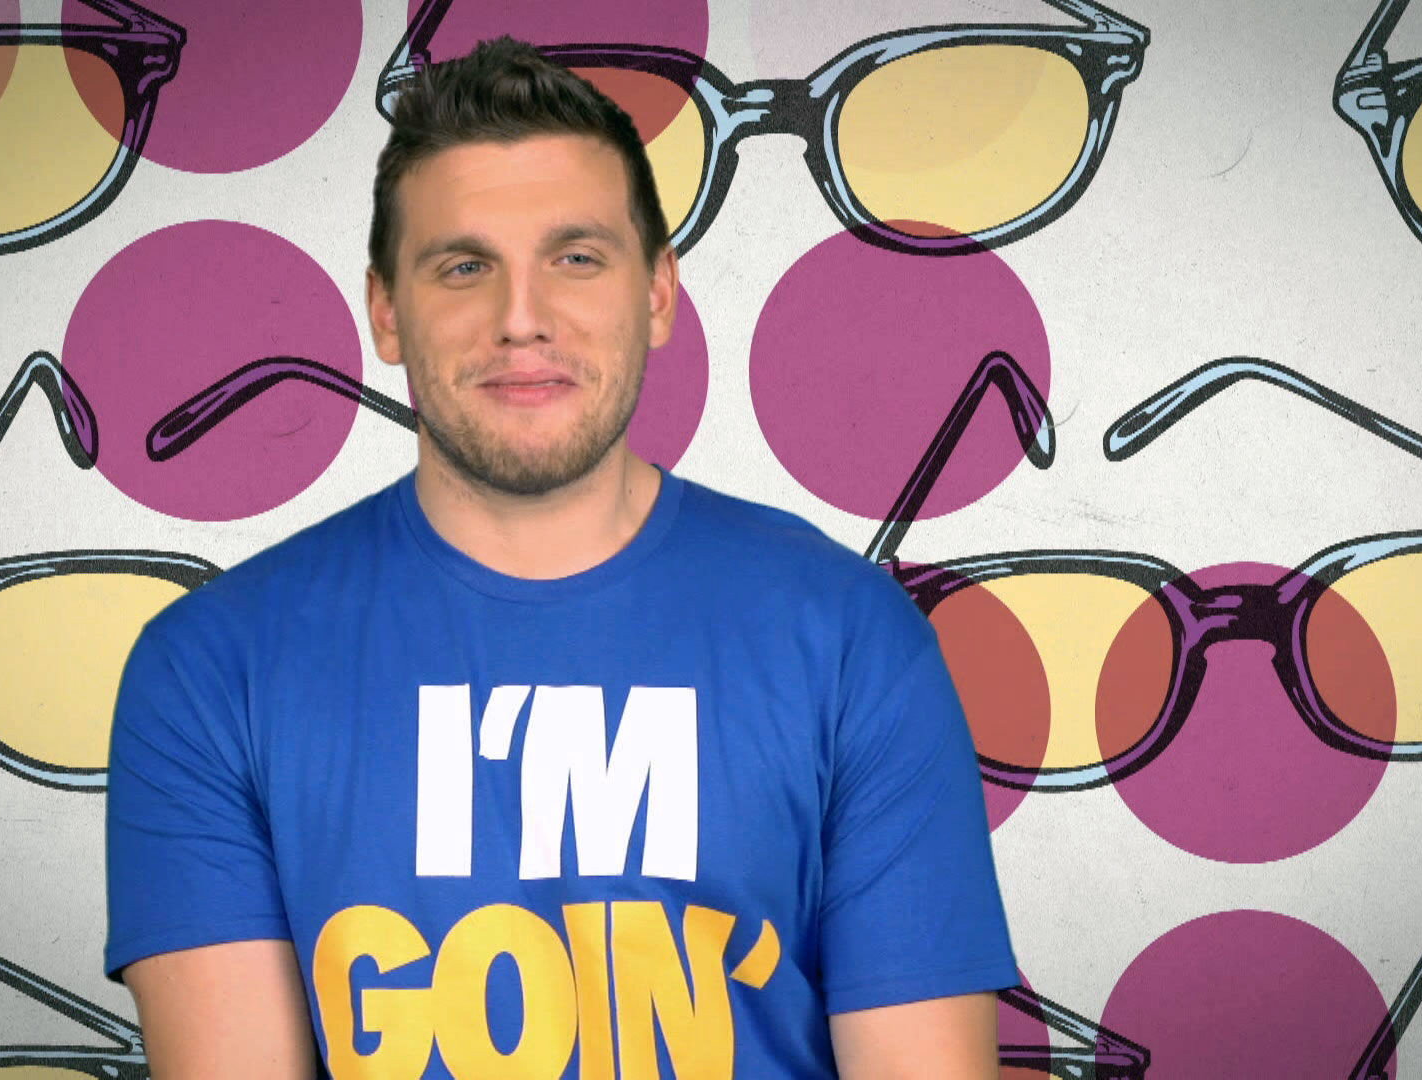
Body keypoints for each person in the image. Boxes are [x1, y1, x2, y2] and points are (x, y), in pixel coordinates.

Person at [104, 35, 1017, 1079]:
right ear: (386, 312)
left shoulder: (853, 640)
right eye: (464, 267)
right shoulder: (210, 669)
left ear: (658, 294)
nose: (521, 319)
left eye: (576, 258)